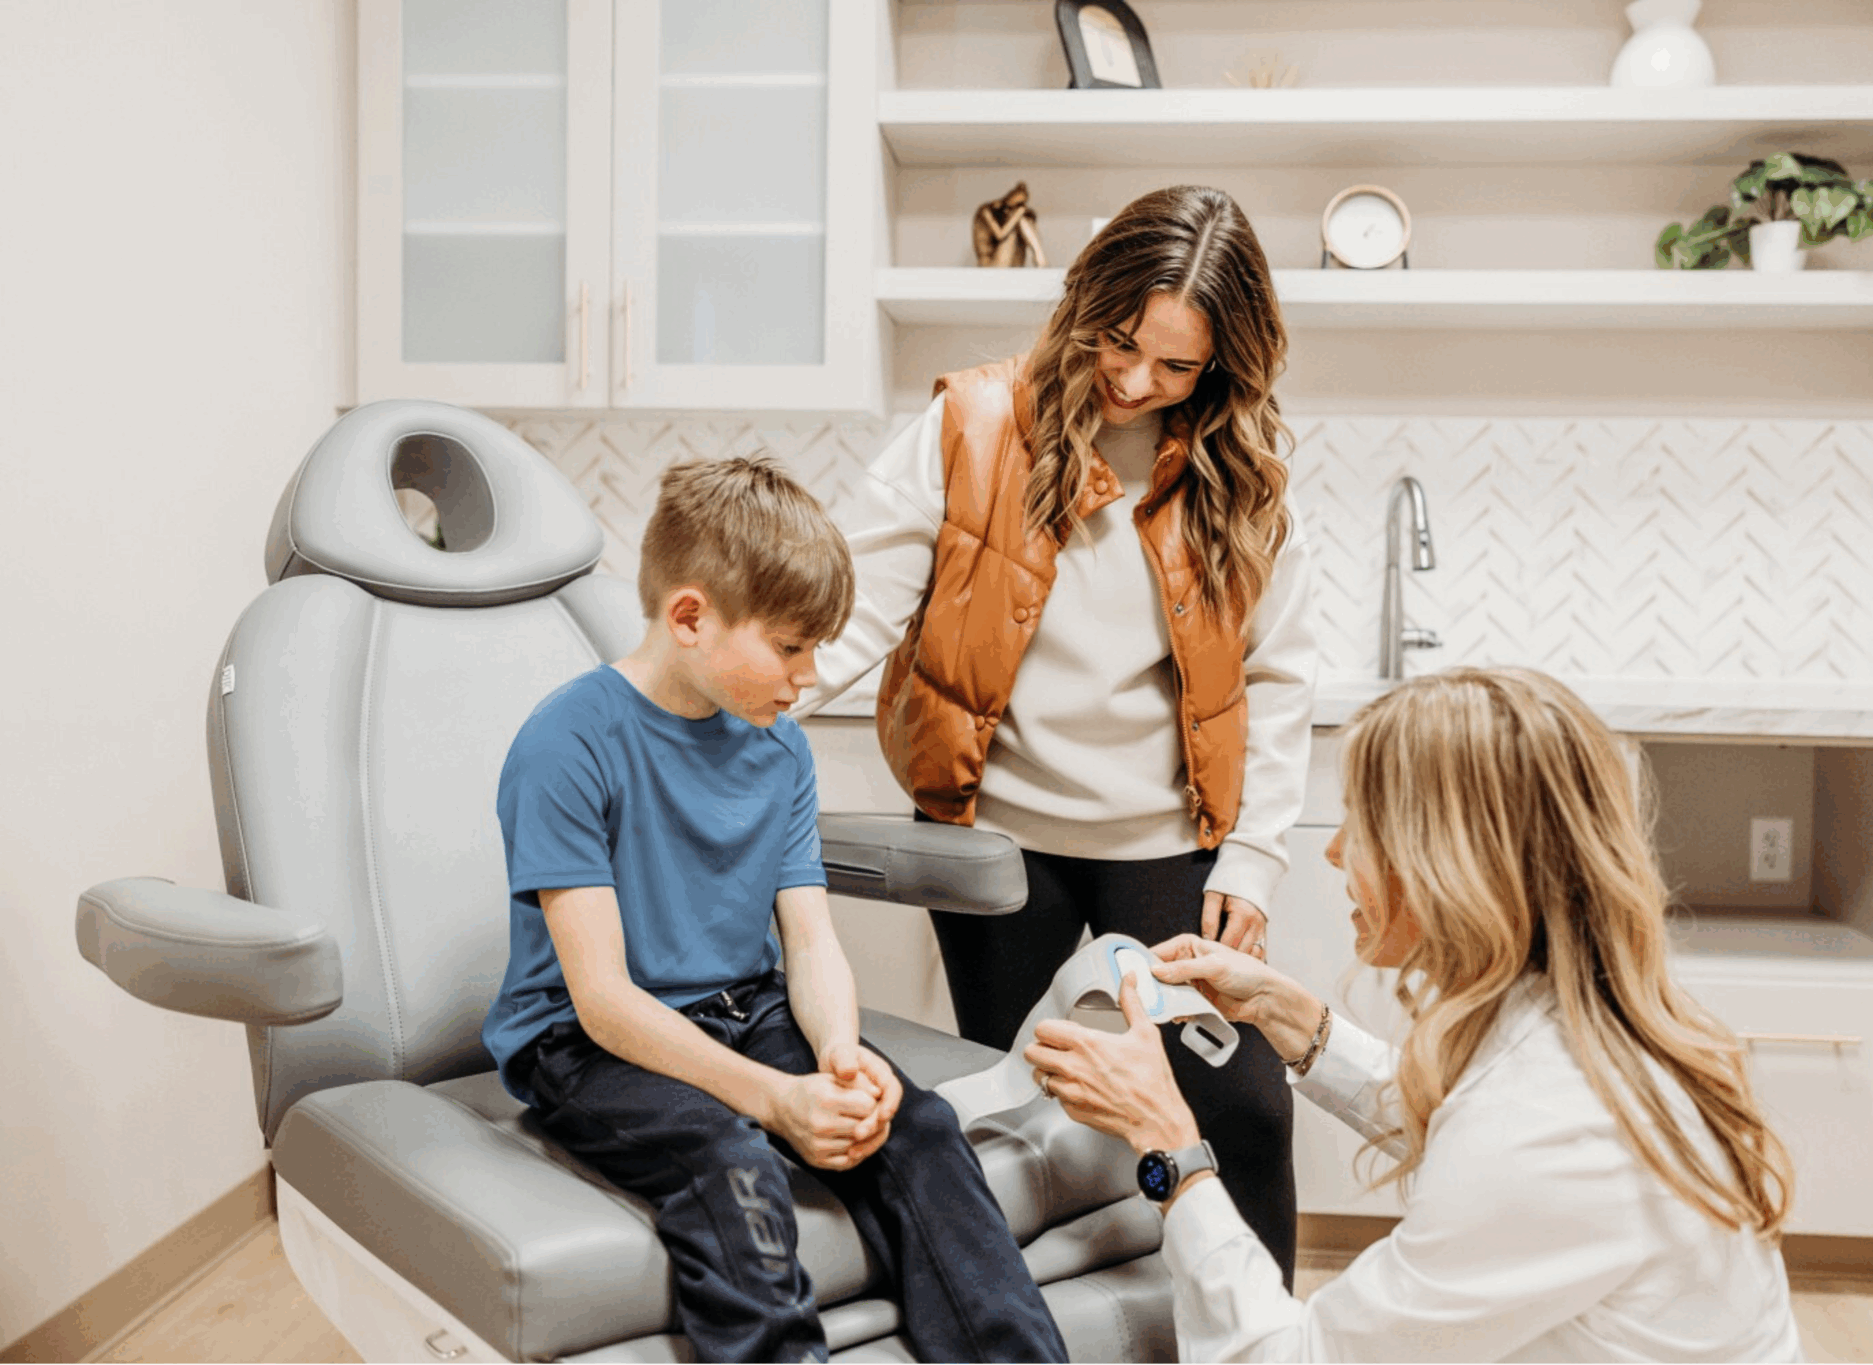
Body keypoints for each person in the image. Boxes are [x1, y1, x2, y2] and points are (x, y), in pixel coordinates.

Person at [794, 184, 1317, 1281]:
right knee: (1008, 1115)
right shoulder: (970, 425)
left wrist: (1256, 859)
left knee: (1242, 1108)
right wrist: (722, 701)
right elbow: (850, 611)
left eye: (1175, 368)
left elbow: (1275, 672)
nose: (1134, 383)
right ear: (1086, 302)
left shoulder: (1243, 470)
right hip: (998, 840)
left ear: (1221, 365)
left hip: (1168, 845)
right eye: (1119, 343)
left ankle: (1267, 1344)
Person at [1025, 667, 1802, 1362]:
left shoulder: (1551, 1128)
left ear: (1446, 865)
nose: (1332, 854)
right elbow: (1475, 1122)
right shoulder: (1570, 1037)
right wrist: (1295, 1018)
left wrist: (1169, 1143)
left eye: (1358, 822)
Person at [481, 457, 1068, 1364]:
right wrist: (776, 1102)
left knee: (914, 1123)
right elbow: (599, 997)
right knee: (735, 1166)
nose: (805, 678)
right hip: (587, 1043)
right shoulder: (567, 740)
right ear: (689, 618)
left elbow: (809, 937)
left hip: (744, 1008)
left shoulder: (781, 749)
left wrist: (835, 1057)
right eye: (790, 648)